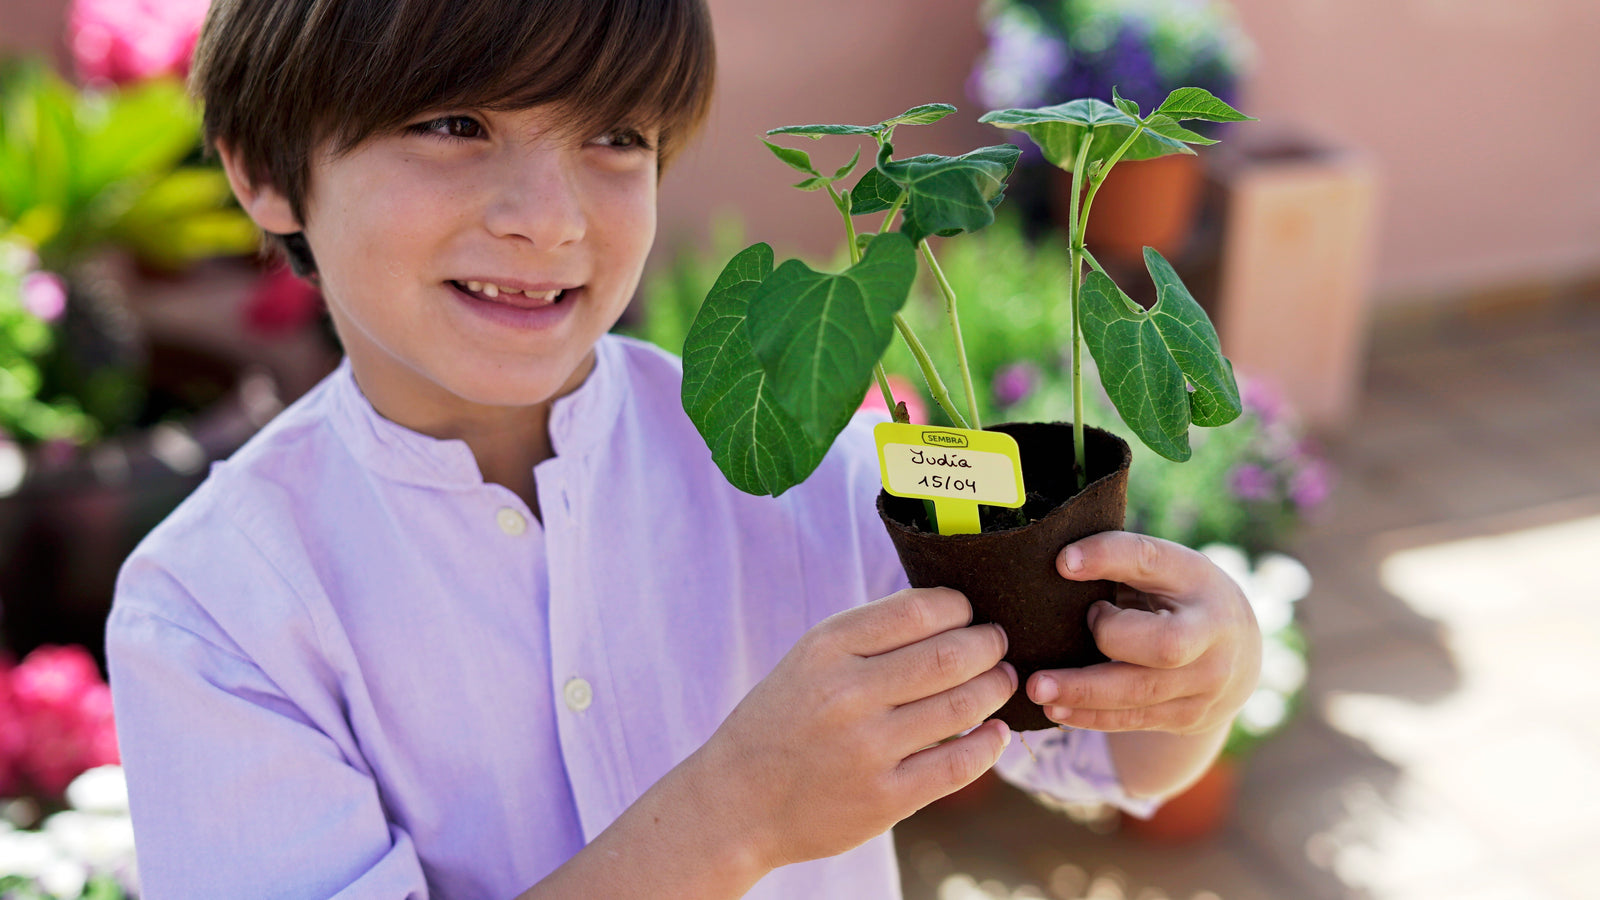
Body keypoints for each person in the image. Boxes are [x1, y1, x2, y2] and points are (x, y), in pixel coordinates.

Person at [105, 0, 1263, 897]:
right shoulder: (213, 611)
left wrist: (1196, 678)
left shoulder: (800, 456)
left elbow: (1095, 757)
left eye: (614, 136)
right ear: (263, 172)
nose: (548, 215)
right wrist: (738, 816)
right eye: (454, 125)